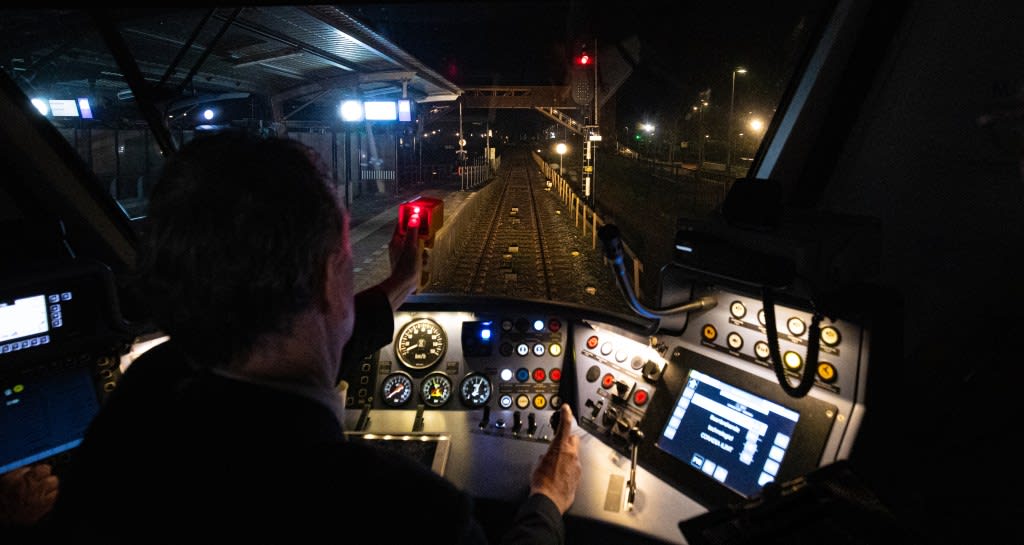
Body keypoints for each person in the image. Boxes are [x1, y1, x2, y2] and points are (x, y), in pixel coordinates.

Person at [48, 131, 581, 544]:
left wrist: (398, 286)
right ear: (331, 281)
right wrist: (547, 503)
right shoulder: (409, 513)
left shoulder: (139, 403)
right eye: (348, 264)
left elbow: (269, 349)